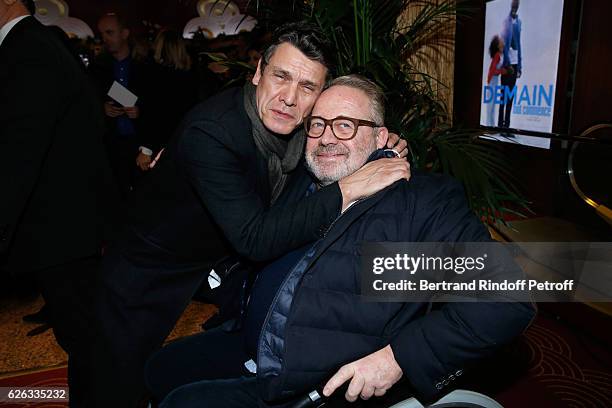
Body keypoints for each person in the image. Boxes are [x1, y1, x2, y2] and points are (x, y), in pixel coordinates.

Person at [146, 75, 535, 408]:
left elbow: (505, 298)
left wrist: (399, 357)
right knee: (159, 369)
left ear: (381, 136)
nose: (327, 138)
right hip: (251, 339)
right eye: (318, 125)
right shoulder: (301, 178)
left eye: (345, 125)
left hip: (308, 382)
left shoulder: (421, 204)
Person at [94, 22, 409, 408]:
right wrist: (353, 184)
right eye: (280, 77)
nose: (289, 98)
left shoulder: (421, 197)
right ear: (258, 72)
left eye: (308, 88)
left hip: (277, 347)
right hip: (149, 267)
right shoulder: (214, 133)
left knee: (163, 381)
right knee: (112, 378)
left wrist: (401, 357)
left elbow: (497, 279)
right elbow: (257, 237)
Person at [0, 0, 118, 406]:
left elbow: (19, 151)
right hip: (69, 222)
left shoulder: (27, 47)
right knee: (83, 333)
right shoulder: (42, 42)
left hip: (60, 226)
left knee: (83, 336)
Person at [89, 12, 150, 198]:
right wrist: (102, 108)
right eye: (102, 34)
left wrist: (141, 110)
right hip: (110, 143)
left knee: (144, 194)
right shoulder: (97, 67)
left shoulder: (145, 64)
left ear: (124, 33)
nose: (104, 39)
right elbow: (88, 101)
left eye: (109, 32)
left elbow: (160, 105)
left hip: (141, 143)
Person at [136, 29, 198, 171]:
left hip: (162, 145)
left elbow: (156, 114)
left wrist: (146, 149)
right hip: (185, 143)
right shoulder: (190, 76)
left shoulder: (156, 75)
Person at [498, 0, 522, 128]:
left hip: (514, 65)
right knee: (503, 97)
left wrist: (519, 67)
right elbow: (503, 46)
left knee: (510, 98)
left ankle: (506, 126)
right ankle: (499, 125)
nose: (515, 7)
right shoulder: (505, 22)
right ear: (511, 5)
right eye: (514, 5)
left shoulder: (518, 22)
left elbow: (519, 46)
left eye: (517, 5)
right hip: (507, 66)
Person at [485, 35, 506, 127]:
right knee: (491, 105)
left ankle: (491, 126)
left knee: (492, 105)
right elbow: (493, 70)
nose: (503, 41)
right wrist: (502, 71)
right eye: (501, 41)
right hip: (492, 81)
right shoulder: (497, 55)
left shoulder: (500, 55)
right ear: (498, 45)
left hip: (494, 80)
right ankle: (489, 126)